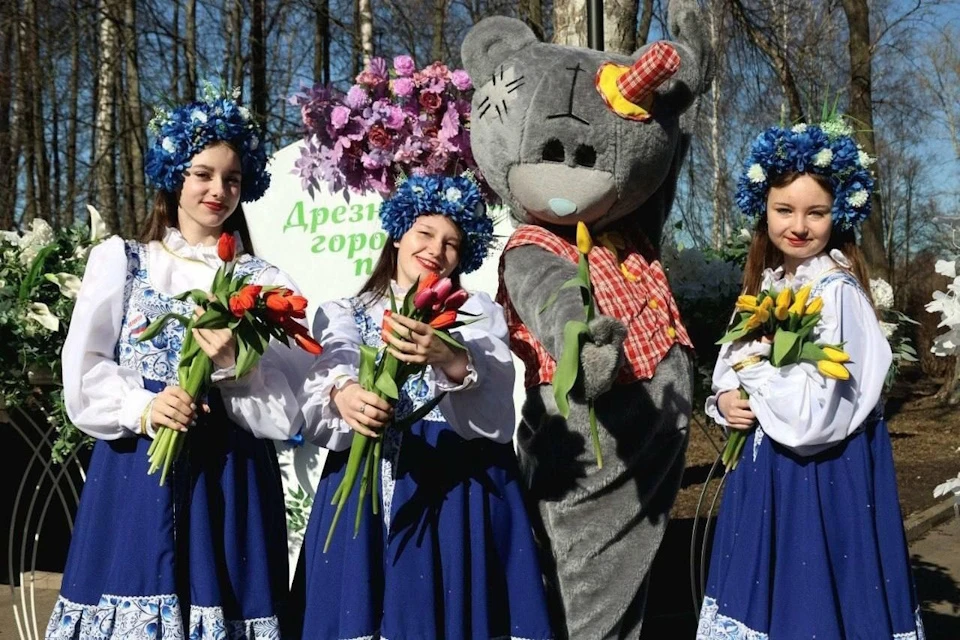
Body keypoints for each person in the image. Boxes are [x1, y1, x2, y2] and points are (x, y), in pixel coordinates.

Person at [46, 87, 305, 639]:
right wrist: (144, 406)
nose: (217, 190)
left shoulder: (263, 282)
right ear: (175, 175)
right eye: (202, 174)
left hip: (230, 480)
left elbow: (289, 413)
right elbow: (84, 371)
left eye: (231, 179)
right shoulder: (123, 261)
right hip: (137, 472)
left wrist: (238, 366)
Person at [297, 174, 553, 640]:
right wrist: (345, 394)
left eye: (453, 243)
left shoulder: (476, 312)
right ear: (397, 234)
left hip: (458, 488)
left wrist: (451, 356)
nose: (437, 250)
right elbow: (330, 368)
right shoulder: (345, 312)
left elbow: (496, 409)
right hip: (368, 488)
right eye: (425, 233)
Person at [696, 117, 925, 639]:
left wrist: (752, 374)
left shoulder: (837, 292)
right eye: (785, 210)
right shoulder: (772, 283)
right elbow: (731, 366)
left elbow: (810, 420)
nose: (798, 225)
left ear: (837, 215)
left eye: (815, 212)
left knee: (809, 604)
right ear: (765, 212)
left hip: (816, 481)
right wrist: (727, 397)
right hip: (769, 478)